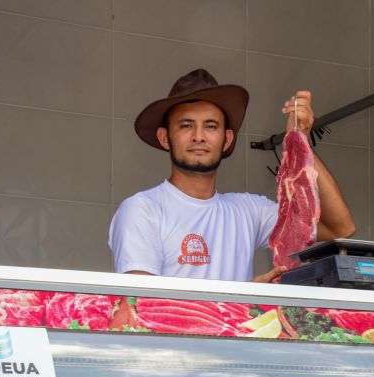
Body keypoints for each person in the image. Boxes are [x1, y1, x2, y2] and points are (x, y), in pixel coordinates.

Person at [109, 68, 356, 283]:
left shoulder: (249, 211)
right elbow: (140, 310)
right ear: (165, 138)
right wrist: (245, 301)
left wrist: (300, 140)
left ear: (227, 140)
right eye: (186, 125)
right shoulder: (143, 209)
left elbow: (340, 228)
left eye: (210, 126)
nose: (198, 136)